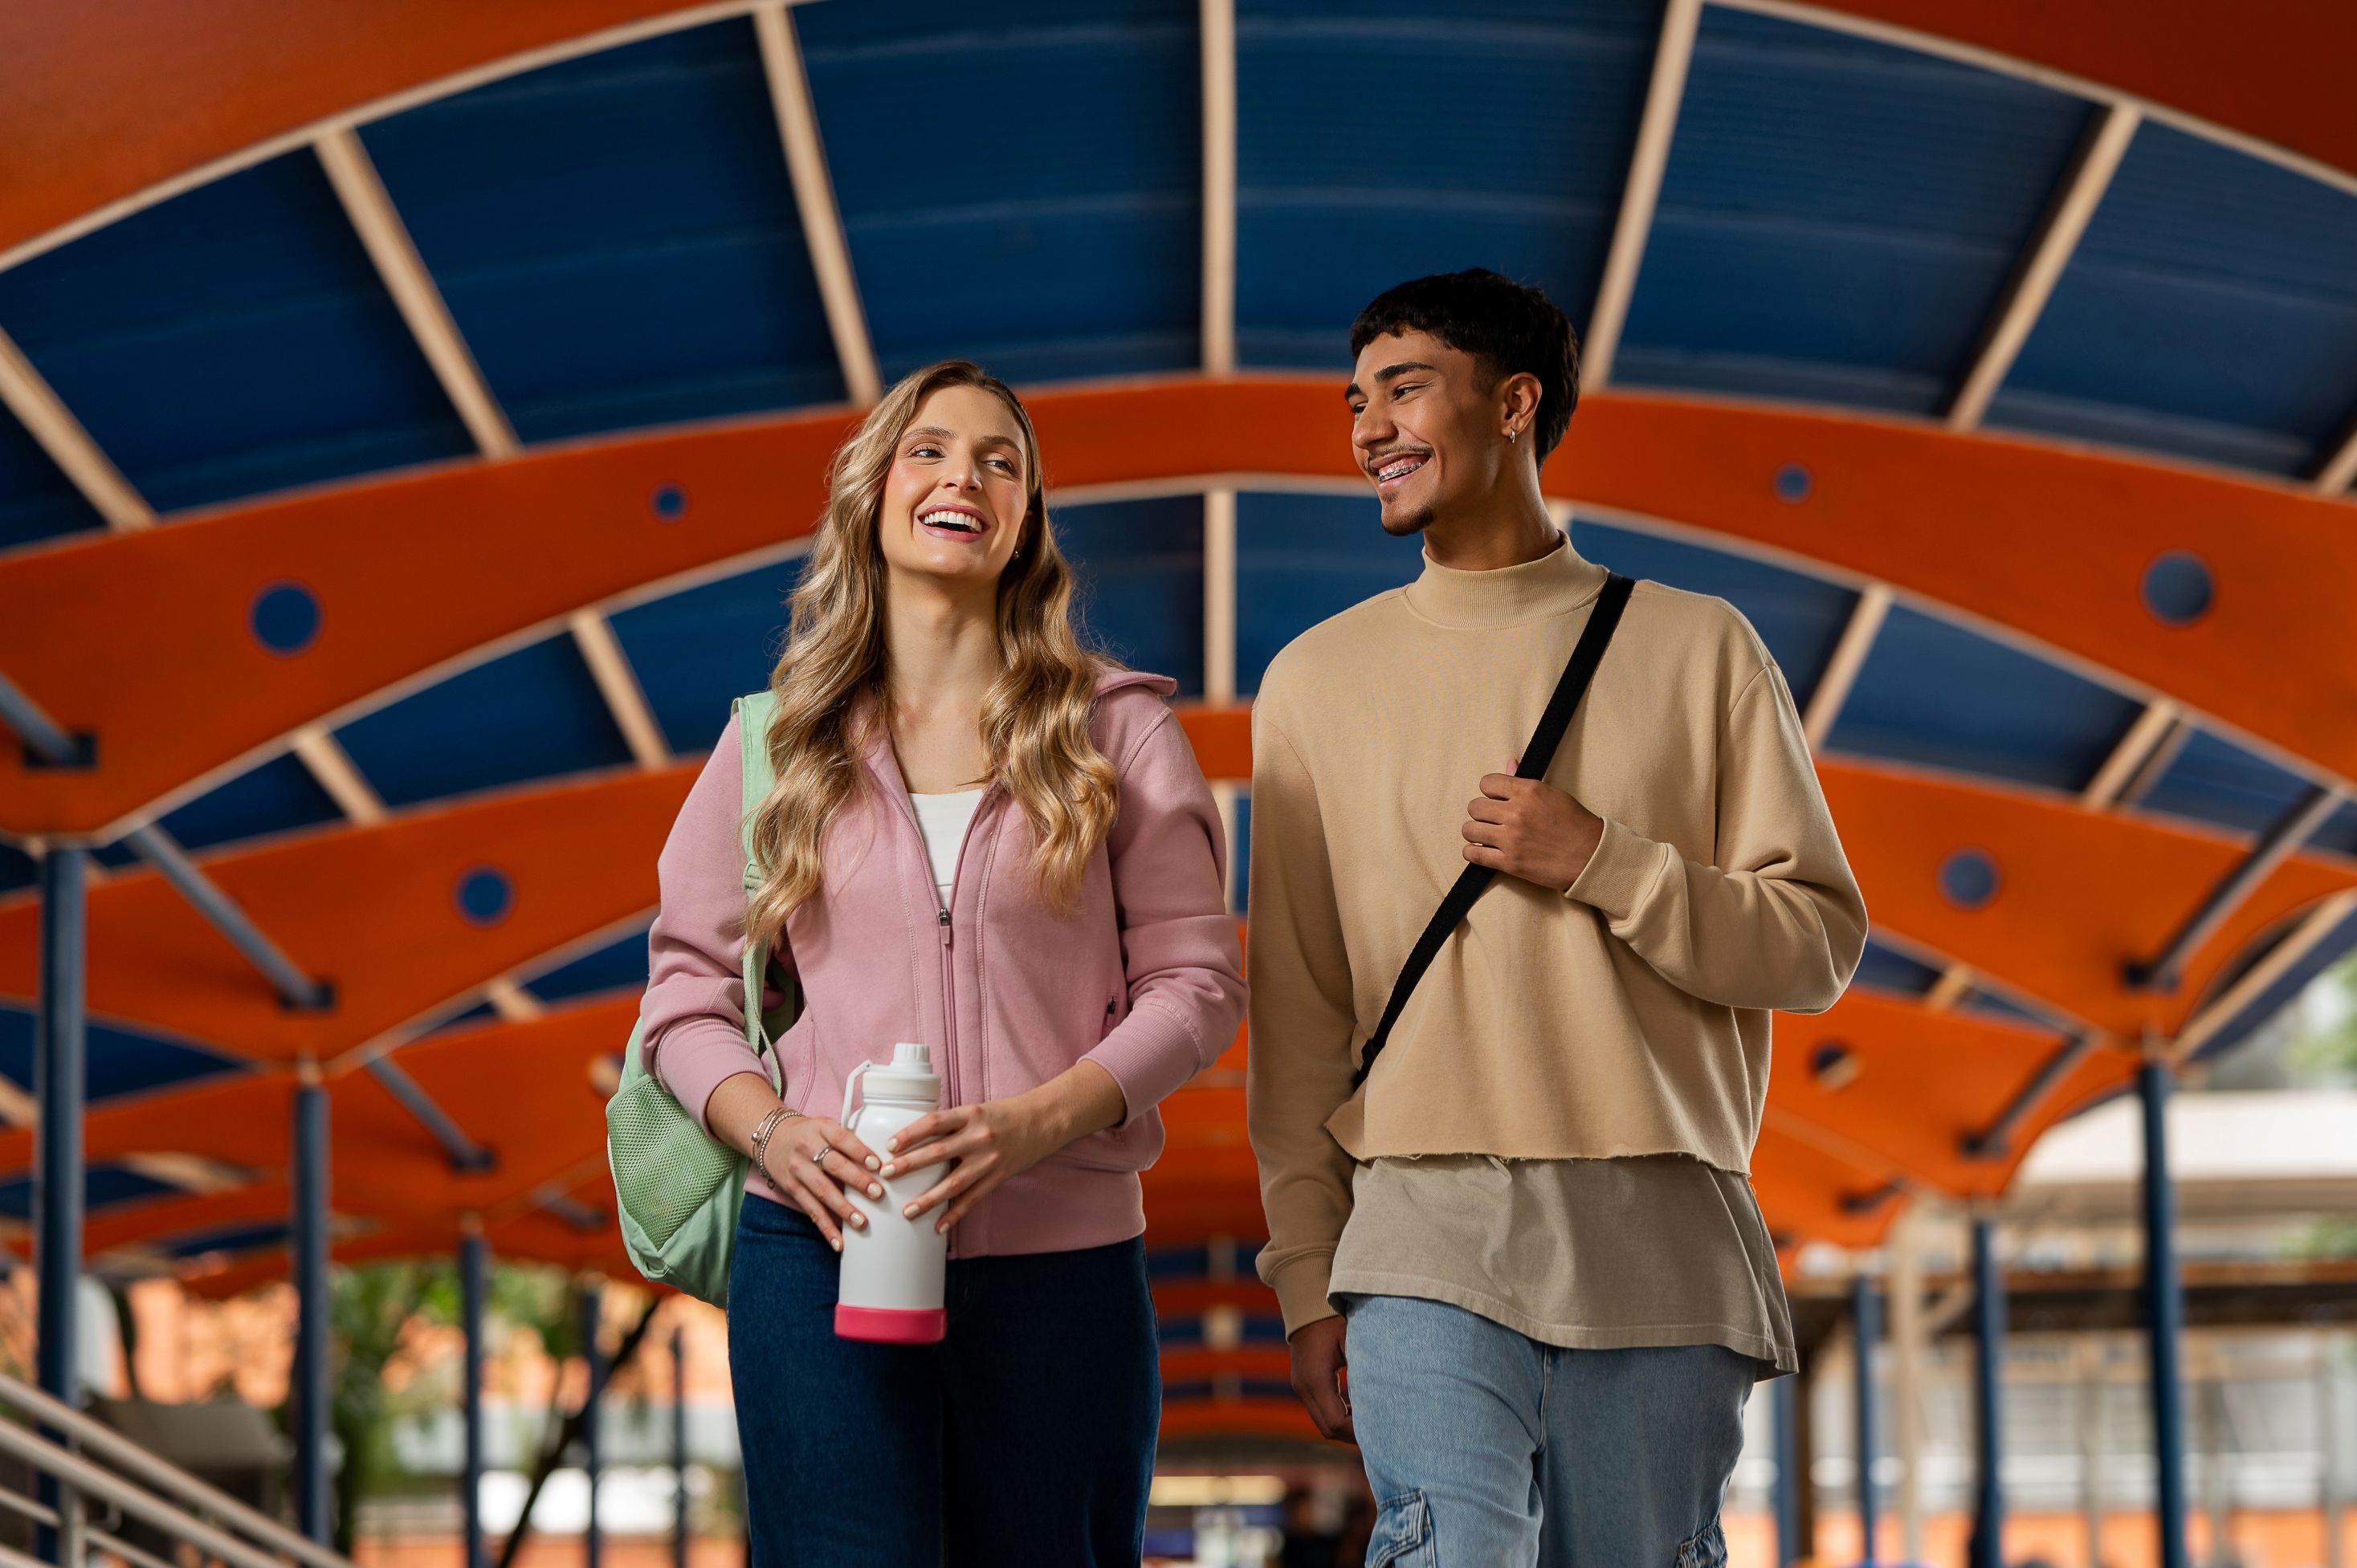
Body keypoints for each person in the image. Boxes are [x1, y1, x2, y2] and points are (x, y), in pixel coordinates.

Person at [1244, 271, 1868, 1566]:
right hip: (1420, 1221)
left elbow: (1815, 941)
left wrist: (1604, 861)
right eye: (1356, 399)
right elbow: (1299, 1008)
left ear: (1516, 403)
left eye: (1404, 387)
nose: (1368, 427)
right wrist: (1308, 1268)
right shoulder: (1313, 681)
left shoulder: (1701, 648)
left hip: (1661, 1224)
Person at [638, 359, 1246, 1566]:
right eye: (928, 449)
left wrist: (1039, 1120)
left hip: (1063, 1265)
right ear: (874, 493)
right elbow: (681, 998)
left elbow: (1199, 983)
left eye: (998, 458)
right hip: (818, 1254)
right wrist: (772, 1132)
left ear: (1025, 519)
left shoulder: (1116, 732)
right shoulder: (775, 742)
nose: (962, 473)